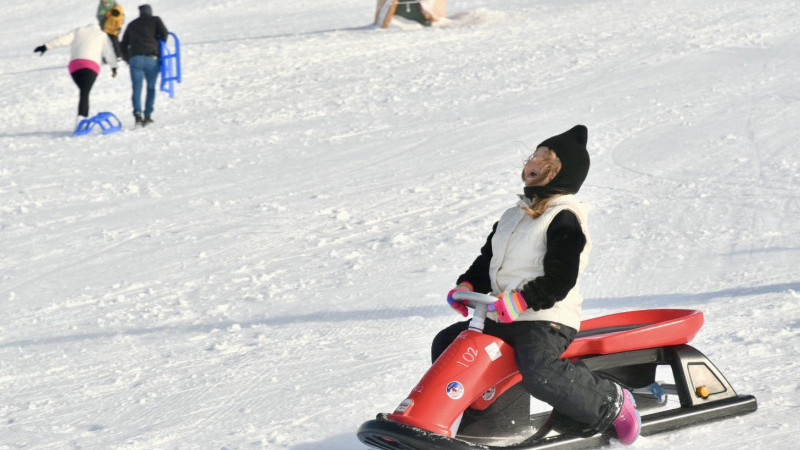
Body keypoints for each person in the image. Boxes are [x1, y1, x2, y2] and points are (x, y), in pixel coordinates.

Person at [433, 125, 642, 445]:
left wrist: (521, 301)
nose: (533, 162)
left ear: (563, 173)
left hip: (546, 317)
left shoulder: (564, 217)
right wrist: (467, 284)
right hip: (501, 313)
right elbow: (488, 259)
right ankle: (489, 418)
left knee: (539, 369)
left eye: (546, 160)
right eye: (535, 155)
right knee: (449, 344)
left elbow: (561, 277)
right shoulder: (512, 215)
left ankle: (609, 402)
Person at [34, 23, 118, 129]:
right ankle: (81, 120)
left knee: (84, 92)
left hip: (75, 66)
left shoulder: (79, 31)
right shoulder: (101, 35)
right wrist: (113, 66)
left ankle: (83, 118)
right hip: (91, 66)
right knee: (85, 93)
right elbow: (109, 51)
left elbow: (62, 40)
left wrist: (46, 46)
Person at [119, 4, 168, 127]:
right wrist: (157, 46)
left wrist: (127, 59)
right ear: (150, 11)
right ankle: (148, 116)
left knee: (137, 88)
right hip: (151, 58)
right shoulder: (155, 20)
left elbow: (122, 45)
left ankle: (137, 115)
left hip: (135, 59)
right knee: (150, 87)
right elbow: (164, 34)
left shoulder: (132, 24)